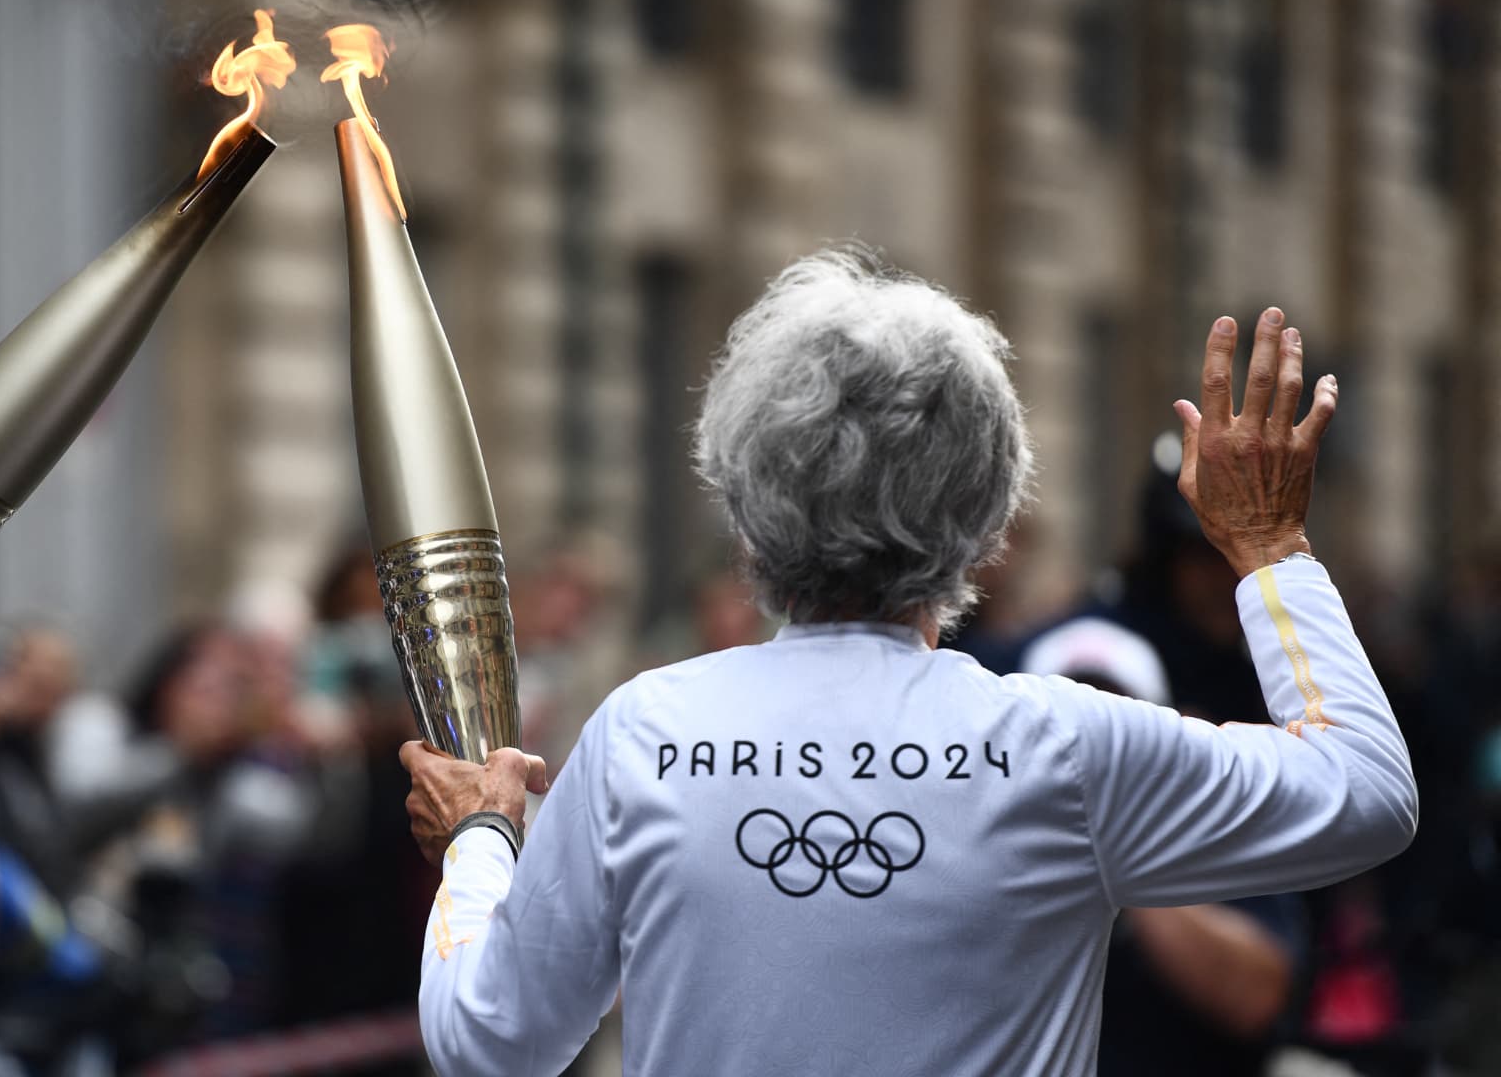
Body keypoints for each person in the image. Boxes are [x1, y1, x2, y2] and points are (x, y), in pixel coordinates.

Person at [400, 248, 1417, 1077]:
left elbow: (491, 1043)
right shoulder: (1058, 746)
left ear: (745, 517)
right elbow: (1366, 790)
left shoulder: (644, 732)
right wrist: (1268, 548)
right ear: (983, 529)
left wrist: (480, 839)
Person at [1019, 618, 1304, 1077]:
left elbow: (1256, 1000)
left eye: (1118, 722)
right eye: (1068, 725)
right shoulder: (1001, 843)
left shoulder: (1219, 832)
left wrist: (1119, 850)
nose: (1093, 748)